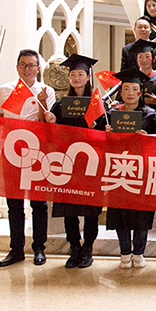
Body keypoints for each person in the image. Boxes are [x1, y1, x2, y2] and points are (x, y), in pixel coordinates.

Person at [0, 49, 55, 267]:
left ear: (38, 68)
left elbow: (49, 125)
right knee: (14, 203)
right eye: (23, 65)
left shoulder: (46, 91)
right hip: (11, 151)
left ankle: (39, 248)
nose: (27, 69)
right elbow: (0, 117)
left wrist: (43, 104)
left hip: (37, 153)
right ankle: (16, 249)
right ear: (17, 67)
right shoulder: (6, 89)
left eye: (31, 65)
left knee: (39, 203)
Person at [44, 54, 103, 268]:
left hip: (90, 164)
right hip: (67, 164)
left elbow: (106, 133)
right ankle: (74, 248)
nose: (76, 78)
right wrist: (52, 121)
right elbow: (51, 134)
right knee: (69, 209)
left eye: (80, 74)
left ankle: (88, 249)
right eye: (73, 74)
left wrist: (101, 128)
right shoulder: (60, 104)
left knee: (90, 210)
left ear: (88, 77)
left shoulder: (97, 104)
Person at [98, 68, 156, 269]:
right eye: (126, 89)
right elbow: (99, 143)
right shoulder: (111, 115)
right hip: (118, 169)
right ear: (120, 92)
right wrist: (106, 134)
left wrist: (147, 138)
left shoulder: (150, 115)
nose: (130, 93)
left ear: (140, 92)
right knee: (119, 212)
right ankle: (124, 252)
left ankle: (139, 252)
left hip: (141, 170)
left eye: (134, 89)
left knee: (141, 212)